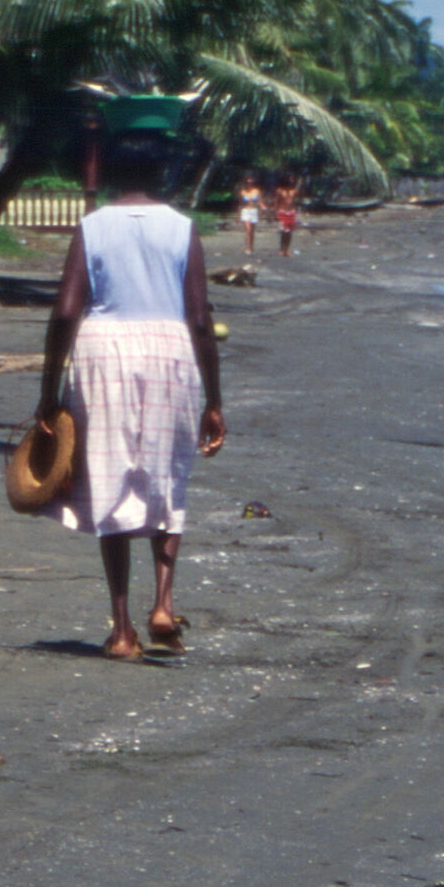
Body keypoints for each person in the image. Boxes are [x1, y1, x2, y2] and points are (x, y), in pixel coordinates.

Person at [35, 97, 227, 660]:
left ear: (115, 167)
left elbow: (66, 311)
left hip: (103, 350)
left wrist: (50, 393)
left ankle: (121, 630)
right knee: (168, 473)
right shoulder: (182, 228)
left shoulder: (92, 227)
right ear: (164, 168)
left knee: (112, 477)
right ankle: (164, 602)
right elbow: (199, 317)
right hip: (171, 351)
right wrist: (214, 398)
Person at [271, 173, 301, 256]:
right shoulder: (280, 190)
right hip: (282, 212)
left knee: (290, 232)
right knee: (283, 231)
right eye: (290, 179)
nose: (291, 181)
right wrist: (275, 213)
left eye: (292, 179)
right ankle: (282, 249)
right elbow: (276, 202)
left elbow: (296, 201)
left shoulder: (294, 191)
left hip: (291, 212)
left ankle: (286, 249)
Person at [236, 174, 264, 256]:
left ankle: (251, 246)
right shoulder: (242, 192)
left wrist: (263, 207)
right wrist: (238, 215)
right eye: (248, 183)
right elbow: (240, 204)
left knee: (252, 231)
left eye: (251, 182)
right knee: (248, 230)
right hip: (245, 211)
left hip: (254, 211)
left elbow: (260, 201)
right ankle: (247, 248)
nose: (250, 184)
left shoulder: (257, 191)